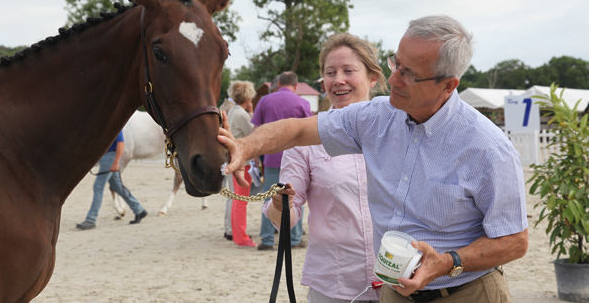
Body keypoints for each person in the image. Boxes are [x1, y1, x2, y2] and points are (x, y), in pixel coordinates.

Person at [220, 15, 528, 302]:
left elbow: (515, 240)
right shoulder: (375, 117)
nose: (393, 80)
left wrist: (448, 262)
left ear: (447, 85)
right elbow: (298, 130)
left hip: (464, 292)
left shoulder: (488, 149)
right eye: (396, 64)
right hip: (393, 292)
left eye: (409, 74)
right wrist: (245, 148)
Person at [263, 33, 387, 302]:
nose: (338, 79)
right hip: (334, 285)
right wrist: (281, 206)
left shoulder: (396, 131)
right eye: (330, 72)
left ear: (372, 78)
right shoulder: (304, 140)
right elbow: (286, 217)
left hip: (399, 283)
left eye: (348, 71)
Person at [251, 71, 313, 251]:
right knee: (295, 198)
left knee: (270, 199)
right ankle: (294, 239)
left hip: (271, 157)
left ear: (278, 85)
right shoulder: (302, 102)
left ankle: (267, 239)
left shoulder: (264, 101)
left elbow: (256, 128)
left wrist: (255, 154)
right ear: (295, 85)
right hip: (296, 159)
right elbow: (311, 131)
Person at [76, 130, 148, 230]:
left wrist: (116, 162)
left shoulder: (115, 124)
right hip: (107, 157)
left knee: (98, 187)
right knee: (117, 186)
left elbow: (121, 143)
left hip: (110, 158)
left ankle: (91, 219)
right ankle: (139, 210)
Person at [226, 80, 258, 247]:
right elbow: (252, 133)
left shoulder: (233, 111)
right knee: (241, 200)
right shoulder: (241, 114)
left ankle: (237, 234)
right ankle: (242, 237)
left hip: (233, 159)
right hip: (243, 162)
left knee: (237, 198)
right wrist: (252, 114)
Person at [219, 94, 236, 241]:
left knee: (231, 195)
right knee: (234, 196)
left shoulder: (224, 107)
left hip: (227, 157)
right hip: (232, 157)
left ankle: (228, 228)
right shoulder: (232, 110)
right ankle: (230, 229)